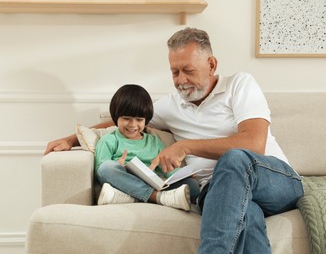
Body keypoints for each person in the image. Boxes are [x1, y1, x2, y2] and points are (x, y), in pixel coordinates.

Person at [44, 27, 304, 254]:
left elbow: (253, 144)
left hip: (274, 181)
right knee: (247, 214)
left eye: (188, 71)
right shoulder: (173, 105)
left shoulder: (240, 85)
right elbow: (124, 119)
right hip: (217, 192)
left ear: (212, 65)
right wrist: (72, 138)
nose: (181, 81)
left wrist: (186, 146)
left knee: (234, 159)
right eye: (175, 72)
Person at [95, 84, 200, 211]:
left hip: (152, 182)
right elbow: (101, 170)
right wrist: (116, 165)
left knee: (193, 187)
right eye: (126, 118)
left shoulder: (154, 142)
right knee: (107, 167)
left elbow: (167, 169)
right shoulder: (109, 140)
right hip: (124, 182)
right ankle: (156, 198)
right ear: (116, 117)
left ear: (146, 120)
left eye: (139, 120)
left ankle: (132, 198)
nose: (133, 125)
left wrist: (182, 175)